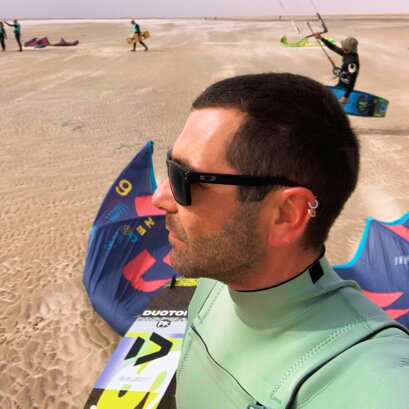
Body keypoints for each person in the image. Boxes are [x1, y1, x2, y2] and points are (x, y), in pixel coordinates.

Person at [152, 73, 409, 409]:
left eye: (183, 178)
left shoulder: (367, 373)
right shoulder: (220, 276)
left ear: (287, 214)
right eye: (169, 165)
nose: (159, 197)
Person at [313, 33, 359, 104]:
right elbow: (333, 47)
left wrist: (346, 96)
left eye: (343, 45)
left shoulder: (352, 63)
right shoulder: (347, 53)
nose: (342, 46)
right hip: (340, 85)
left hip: (344, 89)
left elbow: (352, 80)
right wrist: (321, 38)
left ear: (347, 49)